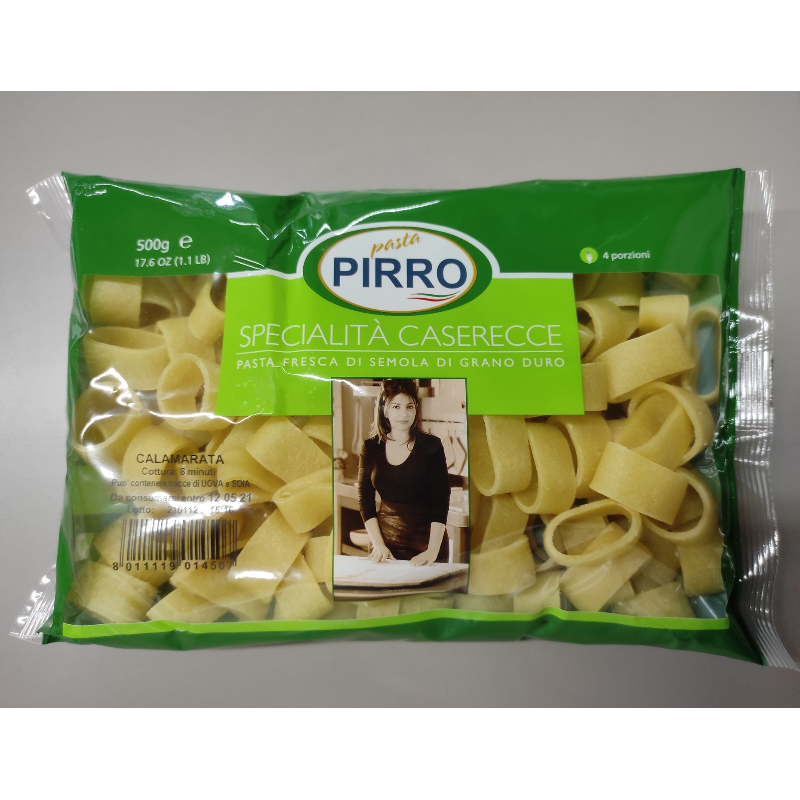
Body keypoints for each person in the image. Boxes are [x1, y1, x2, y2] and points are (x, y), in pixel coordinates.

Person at [357, 379, 451, 566]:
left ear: (416, 408)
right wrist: (379, 545)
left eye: (409, 406)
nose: (404, 414)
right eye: (396, 407)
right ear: (385, 410)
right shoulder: (371, 447)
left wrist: (433, 550)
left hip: (428, 546)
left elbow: (441, 500)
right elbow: (364, 500)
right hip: (385, 548)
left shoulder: (431, 445)